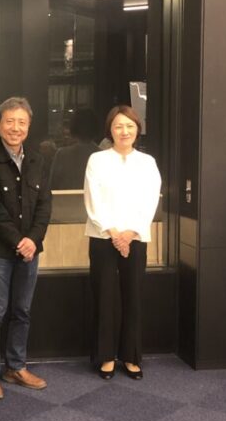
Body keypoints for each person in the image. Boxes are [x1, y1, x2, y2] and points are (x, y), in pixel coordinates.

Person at [0, 96, 53, 399]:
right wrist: (19, 241)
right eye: (9, 121)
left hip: (30, 250)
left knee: (22, 311)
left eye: (21, 122)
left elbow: (45, 205)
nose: (15, 128)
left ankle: (16, 367)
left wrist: (33, 240)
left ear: (29, 126)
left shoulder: (38, 160)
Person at [84, 105, 161, 380]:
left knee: (133, 297)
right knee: (104, 297)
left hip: (135, 237)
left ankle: (131, 356)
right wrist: (114, 232)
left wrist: (130, 233)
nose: (124, 131)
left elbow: (151, 200)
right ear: (110, 130)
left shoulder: (147, 162)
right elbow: (92, 199)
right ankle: (105, 356)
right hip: (103, 236)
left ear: (137, 129)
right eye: (118, 126)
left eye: (129, 126)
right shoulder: (97, 160)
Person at [50, 108, 101, 189]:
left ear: (73, 127)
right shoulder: (103, 156)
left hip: (65, 197)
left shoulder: (62, 155)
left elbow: (52, 186)